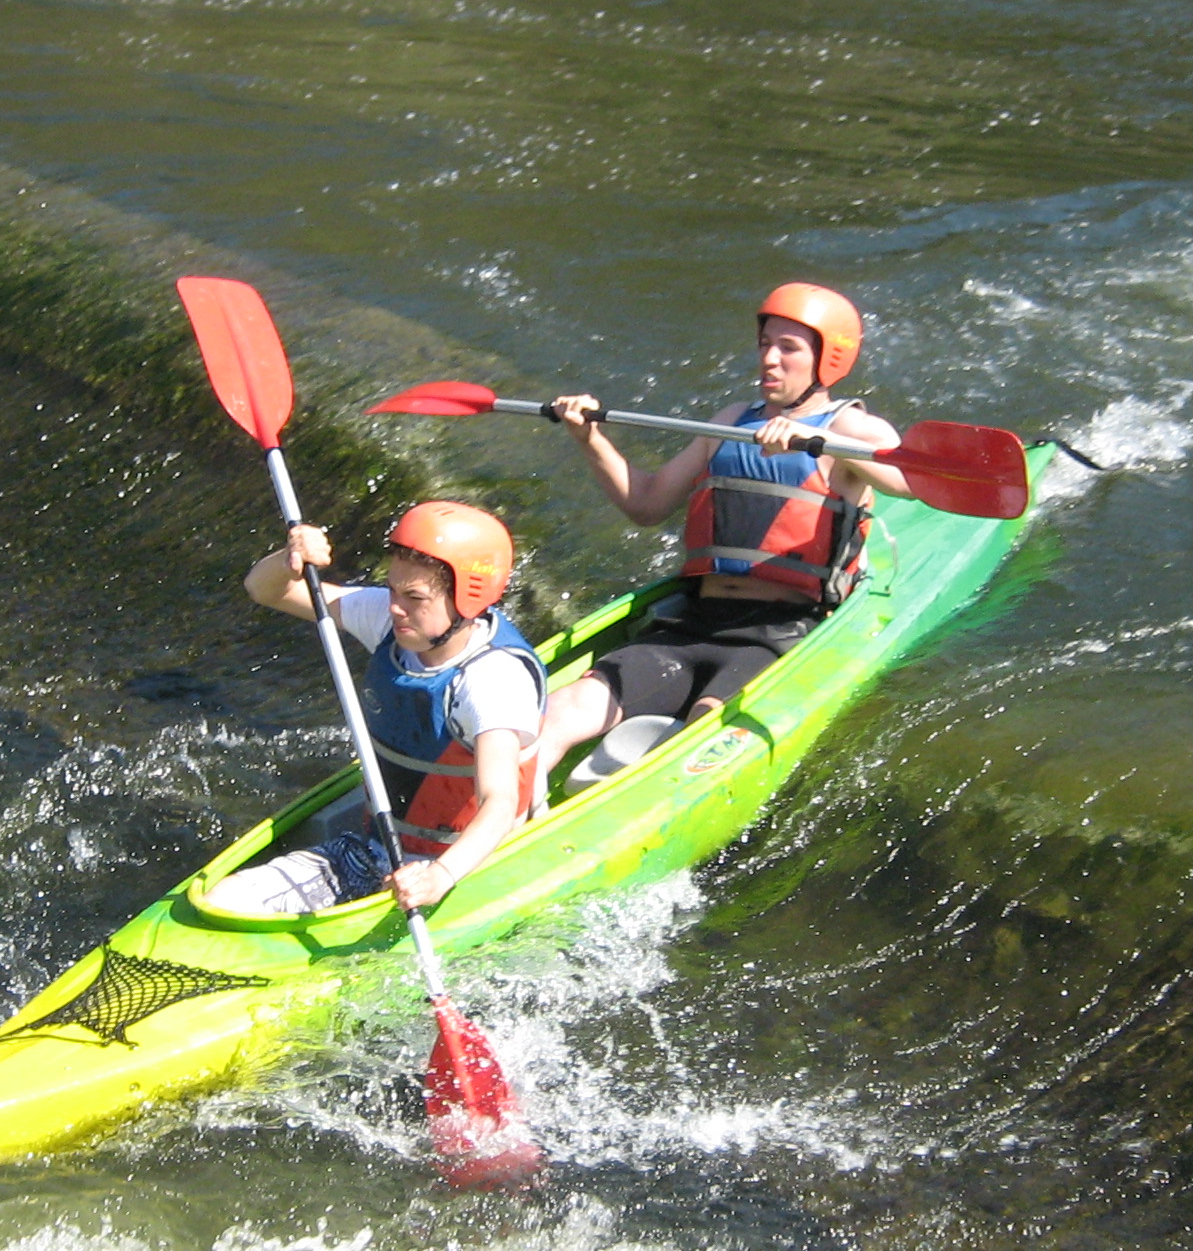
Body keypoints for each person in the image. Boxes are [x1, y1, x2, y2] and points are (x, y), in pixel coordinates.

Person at [534, 283, 919, 786]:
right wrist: (589, 438)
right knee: (563, 710)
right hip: (691, 623)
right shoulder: (731, 422)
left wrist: (821, 443)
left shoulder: (857, 429)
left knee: (702, 740)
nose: (770, 360)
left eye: (789, 348)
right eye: (765, 345)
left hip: (779, 633)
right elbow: (647, 505)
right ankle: (494, 819)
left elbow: (911, 483)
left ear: (829, 359)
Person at [199, 501, 546, 918]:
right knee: (223, 901)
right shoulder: (391, 622)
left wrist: (439, 876)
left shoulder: (492, 681)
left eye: (414, 596)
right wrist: (288, 561)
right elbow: (265, 590)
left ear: (467, 599)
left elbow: (500, 801)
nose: (395, 606)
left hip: (464, 868)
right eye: (393, 588)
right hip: (376, 849)